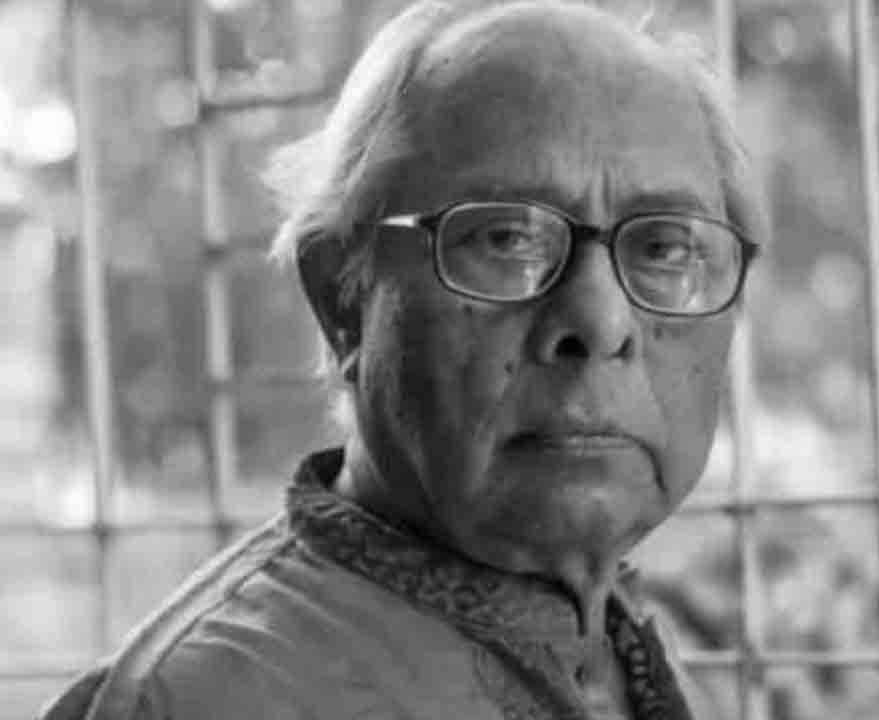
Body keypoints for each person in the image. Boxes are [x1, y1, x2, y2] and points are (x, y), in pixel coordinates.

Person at [42, 0, 763, 717]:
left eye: (665, 248)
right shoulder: (203, 702)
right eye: (506, 239)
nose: (600, 321)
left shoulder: (626, 653)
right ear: (342, 298)